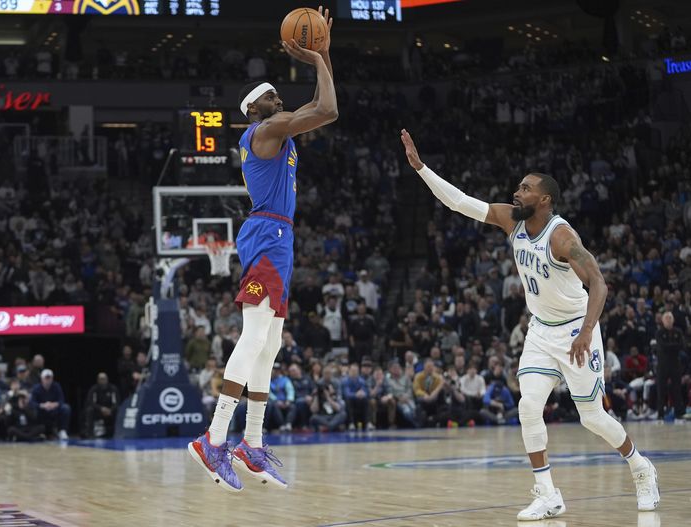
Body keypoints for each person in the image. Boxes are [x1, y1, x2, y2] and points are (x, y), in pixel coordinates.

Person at [401, 129, 659, 519]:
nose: (517, 192)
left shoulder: (562, 237)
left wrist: (588, 331)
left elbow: (599, 282)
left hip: (576, 329)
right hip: (540, 330)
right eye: (518, 187)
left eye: (525, 189)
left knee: (592, 417)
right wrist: (421, 168)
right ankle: (547, 493)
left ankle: (641, 467)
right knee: (528, 406)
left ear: (545, 199)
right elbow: (460, 202)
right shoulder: (511, 220)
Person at [189, 6, 338, 493]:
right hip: (267, 234)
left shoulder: (280, 128)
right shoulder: (265, 131)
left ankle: (250, 444)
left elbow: (321, 105)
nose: (280, 97)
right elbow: (328, 110)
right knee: (253, 338)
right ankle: (213, 439)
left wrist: (324, 55)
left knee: (270, 346)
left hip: (279, 236)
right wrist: (317, 58)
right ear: (255, 109)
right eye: (272, 96)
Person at [654, 312, 685, 421]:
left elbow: (682, 345)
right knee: (661, 390)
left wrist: (671, 347)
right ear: (663, 321)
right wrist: (673, 347)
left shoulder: (678, 332)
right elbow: (663, 347)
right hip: (663, 366)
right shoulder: (659, 332)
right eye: (666, 318)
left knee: (677, 390)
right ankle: (660, 414)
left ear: (673, 320)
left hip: (675, 365)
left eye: (670, 318)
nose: (668, 320)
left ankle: (678, 413)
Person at [29, 369, 71, 440]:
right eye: (46, 378)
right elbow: (32, 402)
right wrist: (42, 405)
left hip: (53, 409)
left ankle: (62, 431)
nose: (48, 380)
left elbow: (61, 400)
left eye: (49, 378)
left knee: (66, 408)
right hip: (41, 410)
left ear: (52, 378)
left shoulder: (56, 386)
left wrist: (54, 404)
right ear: (42, 379)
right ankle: (38, 432)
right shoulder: (36, 388)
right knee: (33, 411)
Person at [83, 372, 119, 438]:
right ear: (98, 380)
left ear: (107, 379)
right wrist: (101, 409)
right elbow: (91, 402)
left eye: (104, 379)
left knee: (118, 410)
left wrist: (110, 410)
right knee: (89, 410)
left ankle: (117, 432)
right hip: (98, 411)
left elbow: (116, 403)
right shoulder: (94, 389)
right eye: (101, 379)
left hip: (110, 411)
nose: (103, 380)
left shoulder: (113, 389)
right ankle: (90, 433)